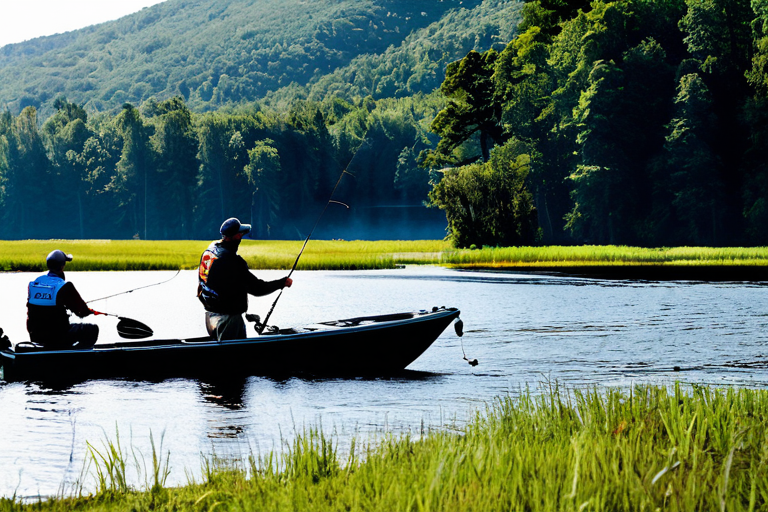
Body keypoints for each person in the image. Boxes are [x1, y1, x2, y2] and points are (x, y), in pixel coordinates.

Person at [198, 217, 293, 341]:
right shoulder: (233, 262)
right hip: (228, 319)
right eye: (240, 234)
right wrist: (282, 283)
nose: (242, 236)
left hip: (210, 316)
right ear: (237, 236)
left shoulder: (210, 251)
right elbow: (257, 288)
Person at [27, 250, 99, 349]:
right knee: (92, 329)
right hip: (58, 336)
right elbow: (81, 312)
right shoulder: (65, 286)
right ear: (61, 266)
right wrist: (89, 311)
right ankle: (75, 356)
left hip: (36, 335)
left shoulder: (35, 283)